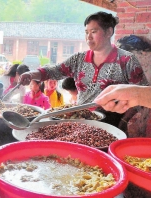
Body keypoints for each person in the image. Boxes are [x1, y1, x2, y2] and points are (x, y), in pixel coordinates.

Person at [19, 11, 148, 128]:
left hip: (113, 122)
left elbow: (141, 95)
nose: (88, 37)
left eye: (94, 31)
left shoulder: (127, 60)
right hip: (81, 119)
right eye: (86, 32)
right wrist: (30, 74)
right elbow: (53, 71)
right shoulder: (79, 59)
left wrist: (124, 122)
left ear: (109, 32)